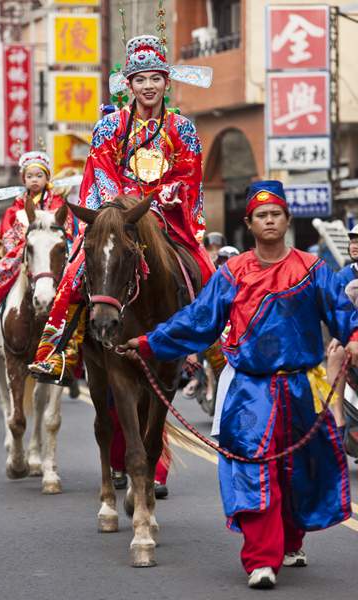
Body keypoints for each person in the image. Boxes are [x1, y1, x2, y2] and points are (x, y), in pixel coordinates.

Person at [119, 180, 358, 590]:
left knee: (297, 471)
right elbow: (197, 321)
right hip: (250, 393)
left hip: (302, 387)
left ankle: (289, 541)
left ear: (287, 220)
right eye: (261, 215)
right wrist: (147, 341)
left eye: (275, 214)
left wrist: (353, 339)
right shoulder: (231, 273)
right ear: (249, 224)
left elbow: (344, 316)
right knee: (252, 471)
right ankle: (261, 559)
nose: (269, 220)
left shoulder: (313, 270)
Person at [29, 34, 214, 383]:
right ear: (129, 84)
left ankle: (218, 350)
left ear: (166, 82)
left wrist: (164, 197)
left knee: (207, 268)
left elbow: (188, 173)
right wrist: (123, 206)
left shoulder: (183, 128)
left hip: (164, 214)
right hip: (118, 213)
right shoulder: (109, 126)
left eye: (155, 78)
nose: (148, 86)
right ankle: (60, 351)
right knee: (77, 269)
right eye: (140, 79)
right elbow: (101, 169)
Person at [0, 151, 74, 320]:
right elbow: (8, 227)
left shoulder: (56, 202)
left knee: (73, 266)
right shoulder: (18, 203)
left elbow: (65, 224)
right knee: (7, 261)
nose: (34, 180)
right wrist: (20, 241)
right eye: (30, 176)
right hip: (24, 244)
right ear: (23, 179)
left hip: (51, 244)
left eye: (39, 175)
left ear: (47, 178)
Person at [327, 224, 358, 434]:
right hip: (351, 337)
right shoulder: (343, 276)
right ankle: (337, 416)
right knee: (335, 354)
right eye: (353, 241)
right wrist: (340, 335)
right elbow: (336, 310)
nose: (355, 245)